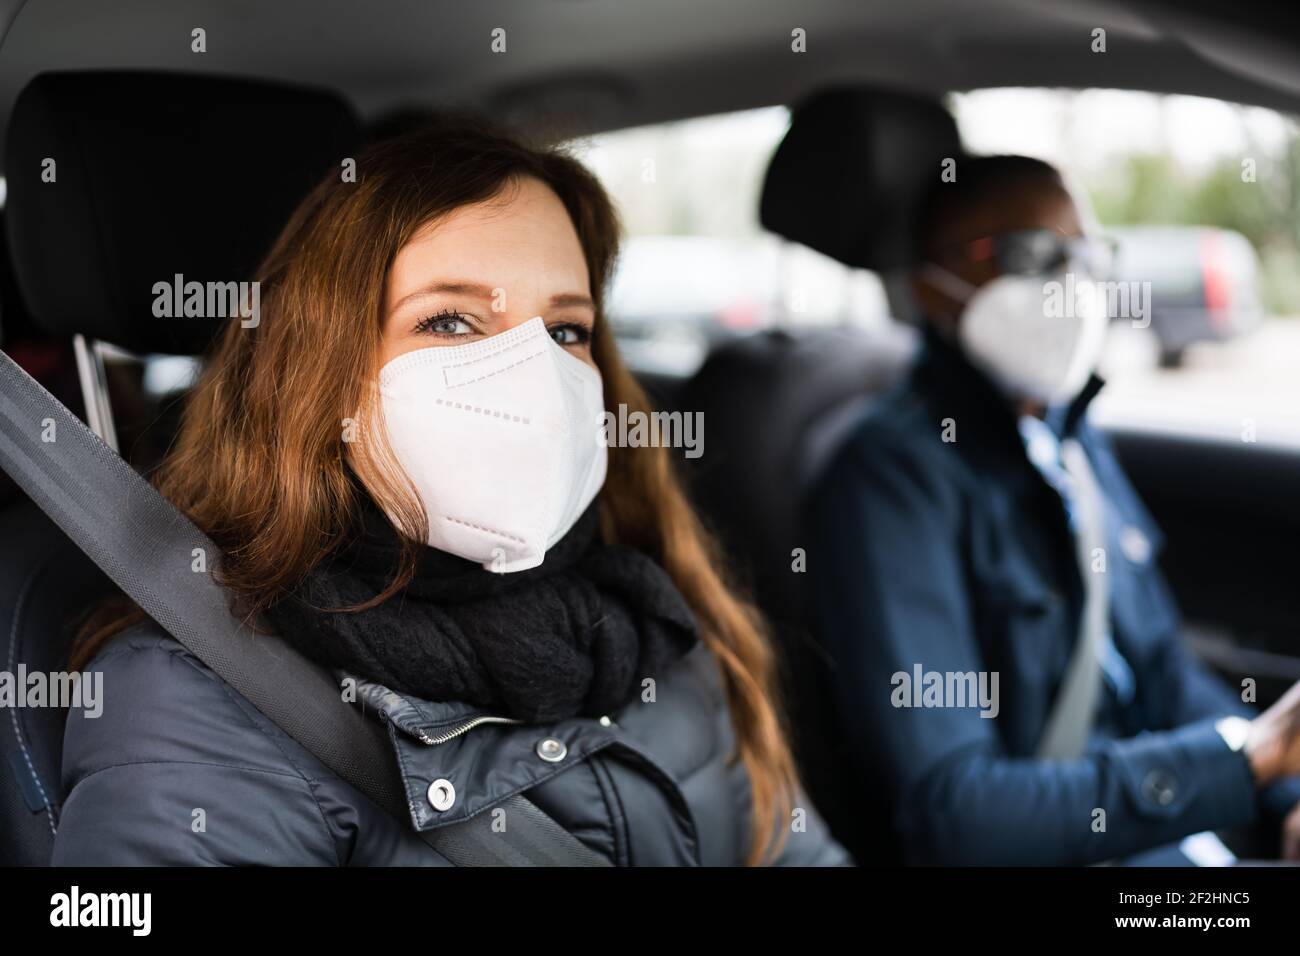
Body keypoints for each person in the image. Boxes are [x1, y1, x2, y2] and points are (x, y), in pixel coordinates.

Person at [52, 118, 851, 867]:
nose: (533, 375)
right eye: (451, 323)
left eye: (565, 330)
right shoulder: (199, 703)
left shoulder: (646, 613)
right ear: (319, 377)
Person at [808, 154, 1300, 866]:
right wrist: (1242, 764)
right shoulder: (891, 480)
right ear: (931, 287)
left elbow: (1163, 669)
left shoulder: (1068, 434)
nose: (1070, 284)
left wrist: (1284, 789)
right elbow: (955, 812)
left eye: (1085, 254)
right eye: (1030, 254)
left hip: (1165, 823)